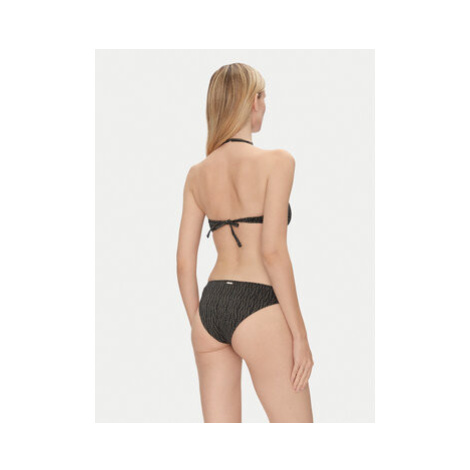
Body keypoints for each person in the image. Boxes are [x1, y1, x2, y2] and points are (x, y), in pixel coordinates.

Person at [176, 63, 314, 423]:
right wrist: (300, 336)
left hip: (211, 307)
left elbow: (184, 263)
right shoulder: (278, 162)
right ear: (253, 101)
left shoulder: (197, 174)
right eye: (264, 97)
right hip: (259, 305)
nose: (265, 105)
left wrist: (199, 324)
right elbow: (272, 252)